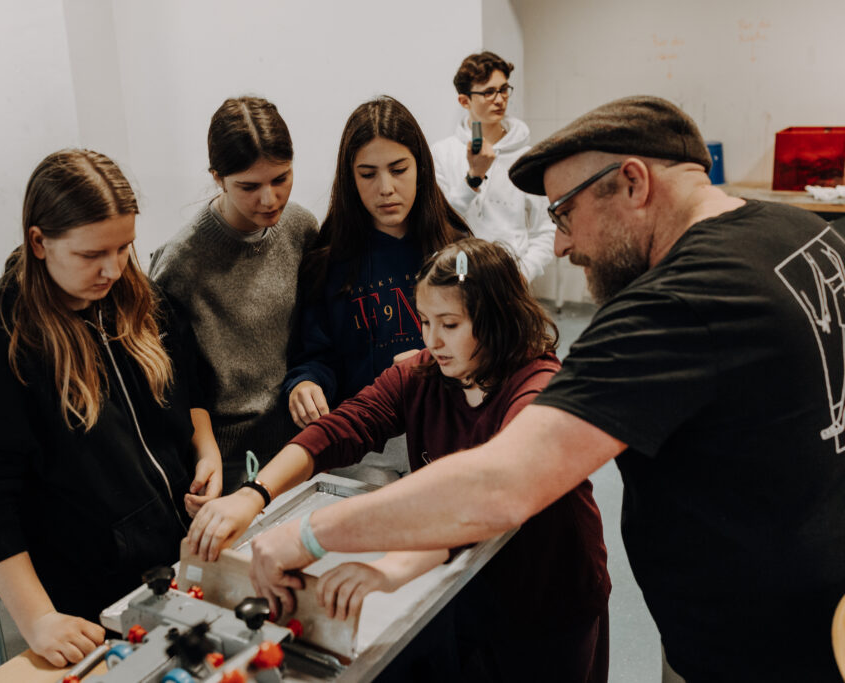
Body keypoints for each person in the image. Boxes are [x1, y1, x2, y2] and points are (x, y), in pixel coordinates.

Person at [247, 96, 845, 682]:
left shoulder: (674, 306)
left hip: (755, 643)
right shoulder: (805, 233)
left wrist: (308, 535)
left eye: (563, 212)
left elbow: (501, 485)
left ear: (633, 183)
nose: (559, 244)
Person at [190, 238, 610, 681]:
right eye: (425, 321)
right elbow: (341, 428)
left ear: (496, 318)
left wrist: (386, 568)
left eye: (450, 324)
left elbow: (481, 501)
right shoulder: (425, 372)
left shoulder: (538, 389)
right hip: (468, 584)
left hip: (548, 597)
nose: (432, 340)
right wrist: (255, 493)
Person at [0, 149, 222, 667]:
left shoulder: (136, 298)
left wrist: (206, 449)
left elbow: (190, 383)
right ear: (39, 242)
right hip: (90, 592)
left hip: (177, 561)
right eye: (91, 254)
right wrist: (38, 619)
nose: (112, 269)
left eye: (124, 248)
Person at [282, 96, 469, 481]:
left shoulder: (459, 251)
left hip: (447, 437)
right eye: (368, 174)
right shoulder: (328, 262)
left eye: (398, 170)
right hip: (365, 448)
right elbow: (316, 355)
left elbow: (489, 349)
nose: (386, 188)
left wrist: (431, 365)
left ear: (421, 167)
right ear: (350, 179)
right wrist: (305, 383)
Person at [150, 96, 319, 496]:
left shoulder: (301, 229)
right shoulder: (179, 264)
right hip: (226, 463)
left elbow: (319, 335)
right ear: (218, 178)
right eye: (249, 186)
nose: (269, 199)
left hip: (303, 442)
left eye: (281, 179)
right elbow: (174, 384)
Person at [431, 51, 554, 282]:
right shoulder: (442, 153)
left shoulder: (527, 157)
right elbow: (439, 223)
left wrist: (524, 273)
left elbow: (546, 229)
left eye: (504, 89)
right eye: (488, 92)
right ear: (464, 101)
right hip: (458, 276)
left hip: (510, 278)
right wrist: (473, 177)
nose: (499, 99)